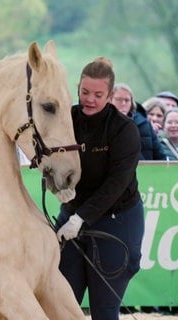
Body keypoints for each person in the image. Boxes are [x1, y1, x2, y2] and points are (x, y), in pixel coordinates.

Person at [56, 57, 145, 320]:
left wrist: (80, 218)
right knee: (61, 303)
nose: (90, 100)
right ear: (77, 88)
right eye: (84, 92)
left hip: (116, 220)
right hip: (72, 216)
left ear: (110, 95)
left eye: (98, 94)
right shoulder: (67, 118)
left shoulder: (124, 129)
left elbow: (116, 184)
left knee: (103, 310)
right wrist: (58, 186)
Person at [111, 83, 166, 160]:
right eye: (119, 99)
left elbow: (161, 157)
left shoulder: (144, 124)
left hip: (146, 170)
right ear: (110, 100)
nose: (123, 103)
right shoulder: (102, 124)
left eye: (127, 100)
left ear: (131, 103)